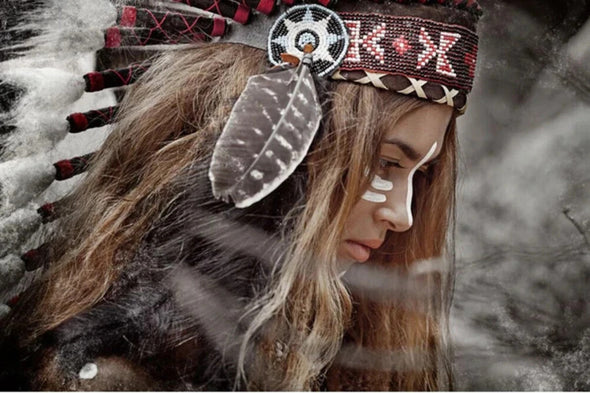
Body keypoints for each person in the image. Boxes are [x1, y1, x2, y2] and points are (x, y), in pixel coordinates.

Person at [0, 0, 481, 390]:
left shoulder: (322, 357)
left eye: (420, 174)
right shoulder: (110, 377)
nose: (402, 216)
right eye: (386, 164)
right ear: (280, 140)